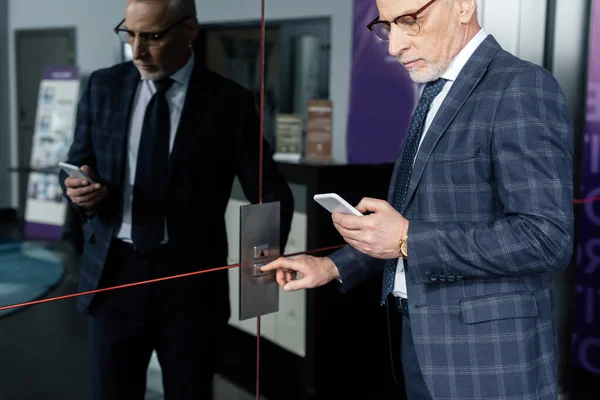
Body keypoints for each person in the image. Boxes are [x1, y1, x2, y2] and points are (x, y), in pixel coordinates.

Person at [261, 0, 574, 399]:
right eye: (387, 26)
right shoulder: (436, 89)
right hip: (418, 341)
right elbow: (412, 221)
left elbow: (546, 237)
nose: (393, 46)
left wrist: (409, 238)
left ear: (462, 6)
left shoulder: (522, 86)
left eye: (410, 21)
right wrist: (331, 265)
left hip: (489, 358)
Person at [60, 0, 294, 399]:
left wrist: (261, 274)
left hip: (190, 283)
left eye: (151, 36)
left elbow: (268, 189)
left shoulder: (228, 102)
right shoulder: (103, 86)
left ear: (189, 31)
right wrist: (81, 193)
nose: (136, 51)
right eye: (129, 34)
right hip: (113, 275)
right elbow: (79, 162)